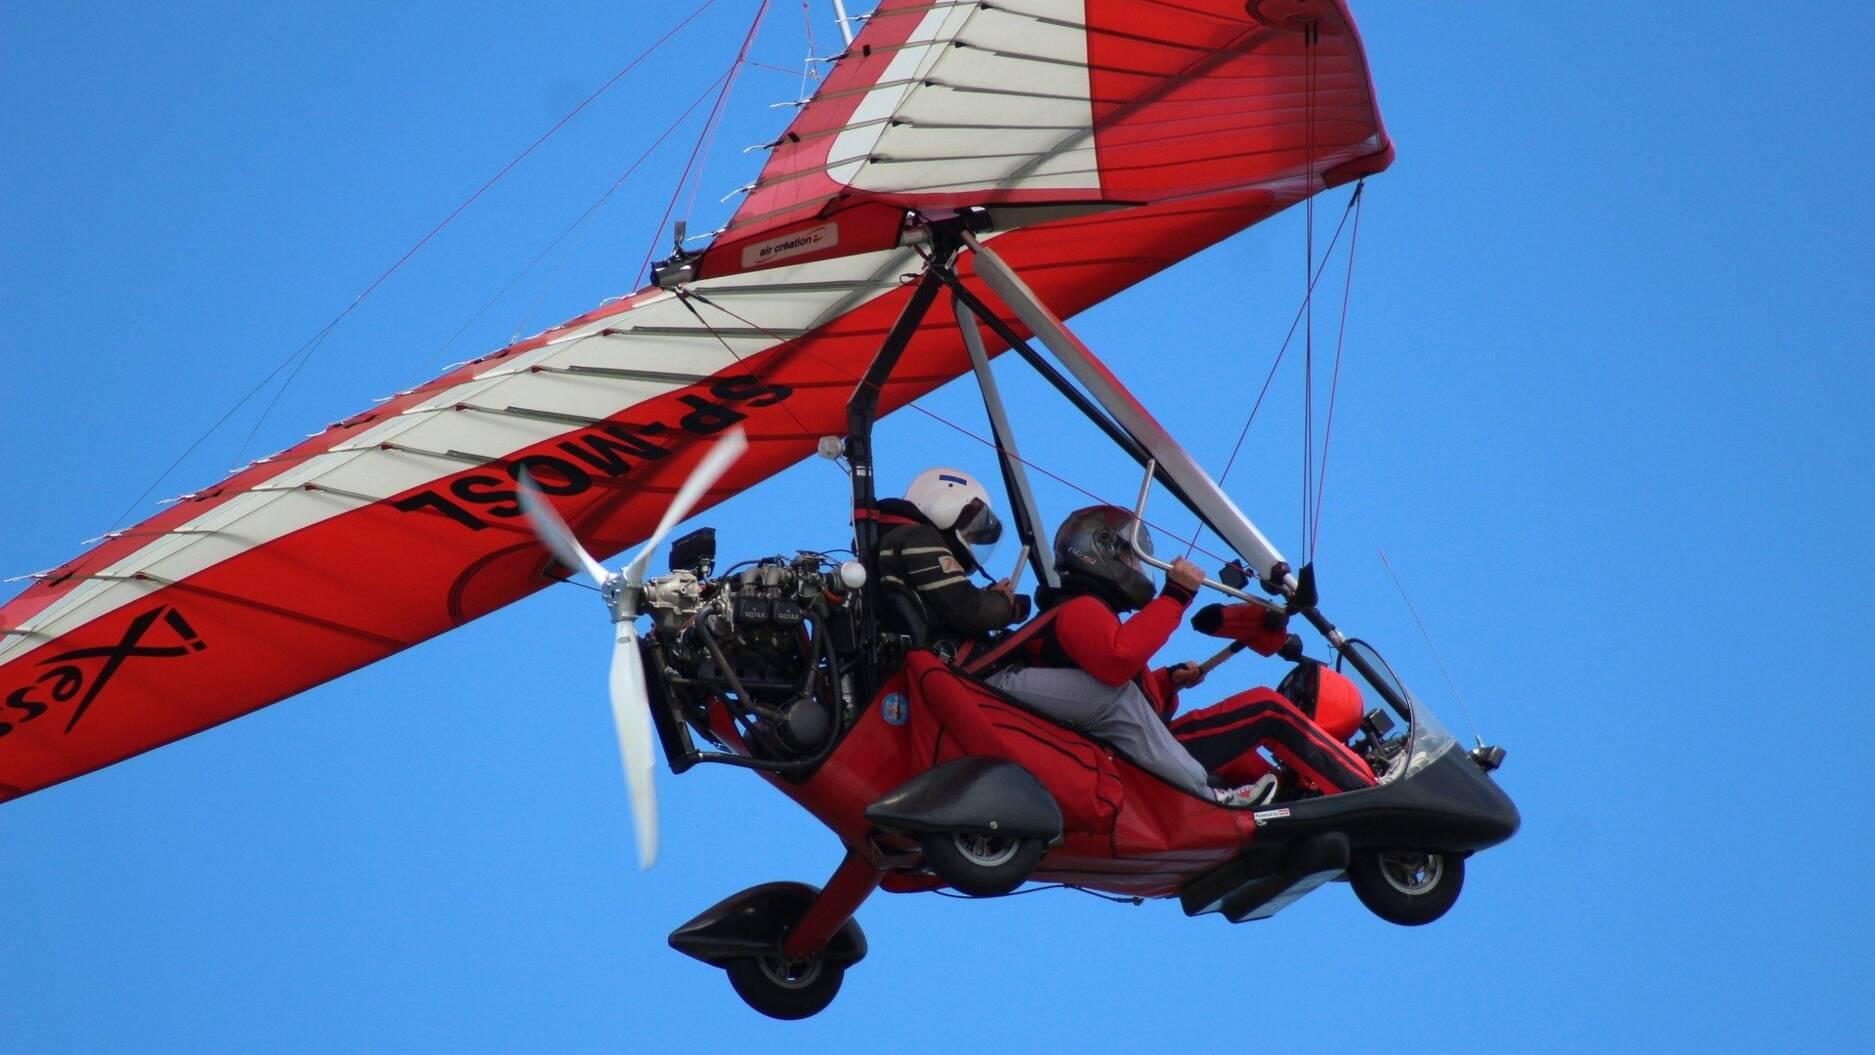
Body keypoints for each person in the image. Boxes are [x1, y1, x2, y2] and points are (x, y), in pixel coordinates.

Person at [989, 505, 1373, 804]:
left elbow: (1116, 689)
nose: (1138, 568)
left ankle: (1294, 803)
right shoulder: (1079, 608)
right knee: (1267, 709)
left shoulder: (1084, 613)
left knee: (1246, 761)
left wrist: (1167, 681)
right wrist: (1175, 595)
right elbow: (1117, 662)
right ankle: (1364, 788)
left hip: (1138, 745)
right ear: (1101, 551)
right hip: (1143, 754)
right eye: (1132, 558)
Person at [873, 468, 1030, 646]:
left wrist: (989, 596)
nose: (968, 536)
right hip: (935, 656)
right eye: (967, 523)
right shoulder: (918, 538)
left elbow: (942, 602)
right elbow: (966, 608)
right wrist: (1004, 604)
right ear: (944, 505)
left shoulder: (896, 540)